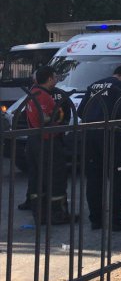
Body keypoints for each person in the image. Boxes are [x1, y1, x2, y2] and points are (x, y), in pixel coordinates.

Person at [78, 65, 121, 231]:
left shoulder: (94, 85)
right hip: (111, 135)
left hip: (89, 135)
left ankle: (96, 220)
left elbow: (81, 111)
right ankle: (119, 220)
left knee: (94, 179)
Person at [25, 66, 74, 225]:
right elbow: (48, 118)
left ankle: (41, 214)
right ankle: (57, 214)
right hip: (47, 140)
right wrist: (60, 117)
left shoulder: (33, 92)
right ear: (49, 79)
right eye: (54, 77)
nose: (56, 80)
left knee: (37, 178)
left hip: (34, 140)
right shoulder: (44, 96)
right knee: (56, 177)